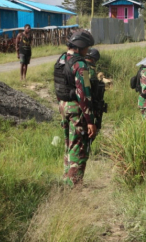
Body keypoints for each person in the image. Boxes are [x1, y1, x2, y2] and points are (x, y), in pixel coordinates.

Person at [54, 30, 97, 187]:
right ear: (80, 47)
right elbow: (84, 93)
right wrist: (90, 120)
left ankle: (67, 179)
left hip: (63, 106)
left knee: (69, 144)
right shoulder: (81, 65)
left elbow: (59, 85)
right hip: (76, 108)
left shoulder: (62, 59)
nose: (87, 51)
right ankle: (74, 186)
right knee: (78, 146)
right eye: (86, 47)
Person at [85, 48, 107, 135]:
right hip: (90, 101)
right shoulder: (89, 69)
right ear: (93, 59)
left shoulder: (80, 65)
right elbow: (89, 87)